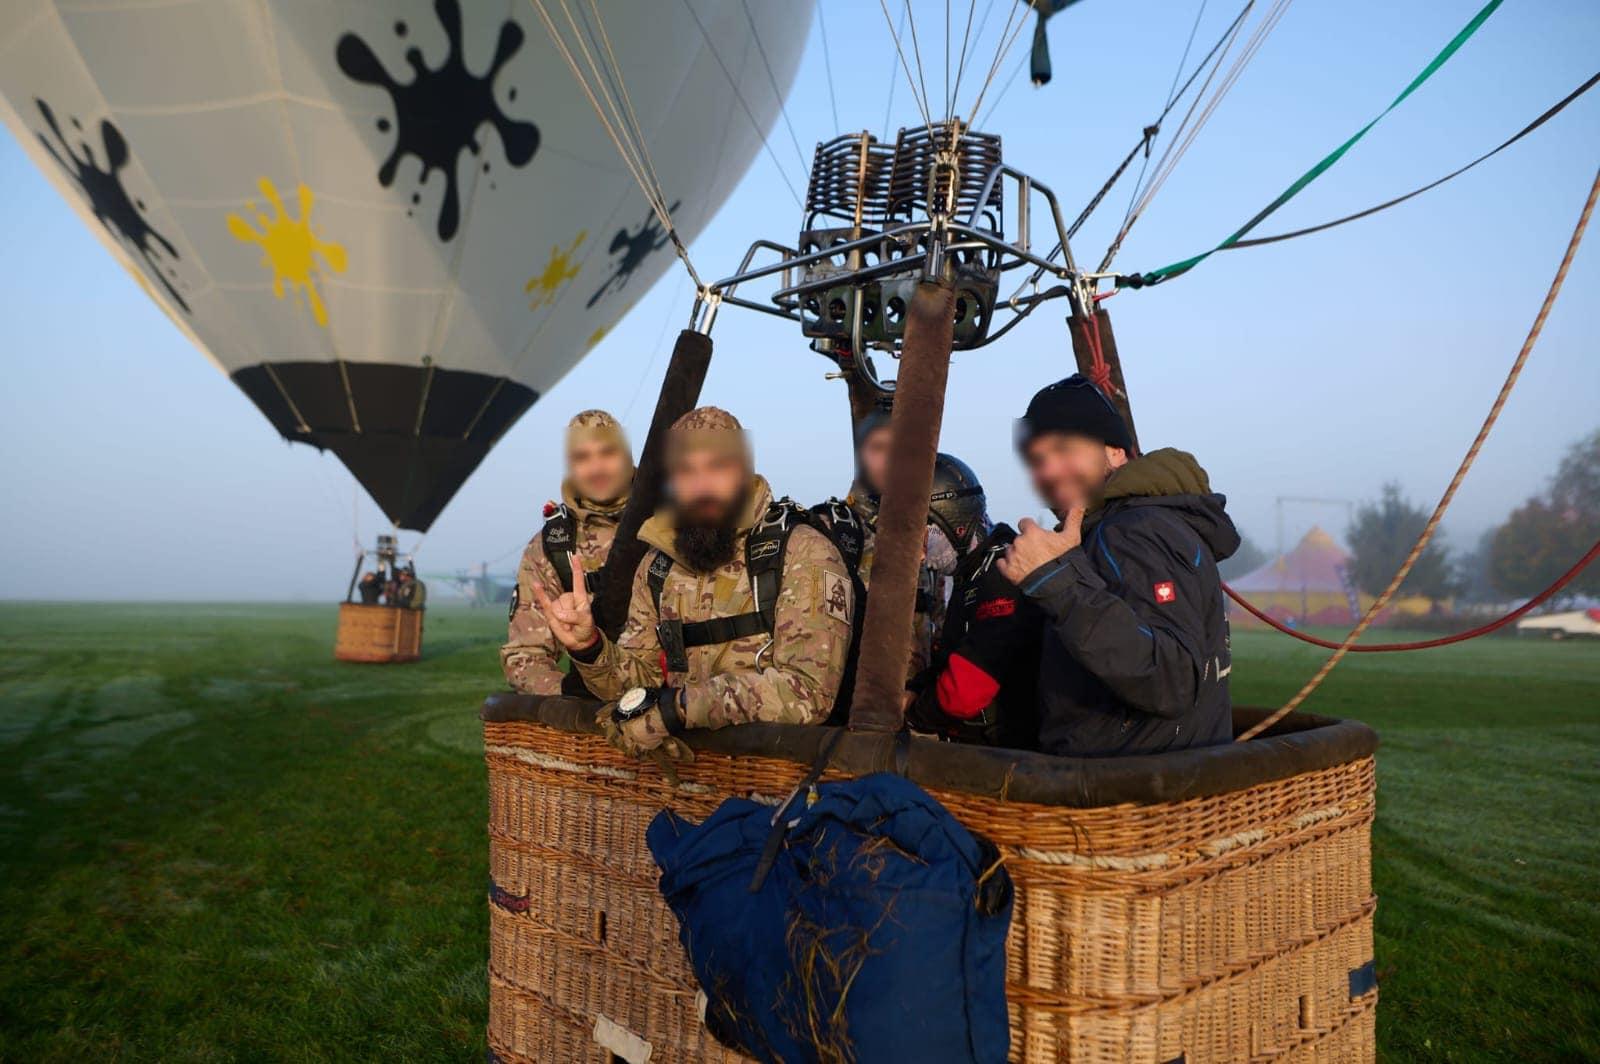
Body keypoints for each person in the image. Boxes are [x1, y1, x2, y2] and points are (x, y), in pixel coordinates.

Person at [533, 407, 854, 758]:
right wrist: (589, 646)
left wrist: (681, 708)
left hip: (778, 780)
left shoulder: (802, 552)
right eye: (686, 471)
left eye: (717, 467)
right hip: (686, 780)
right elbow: (638, 686)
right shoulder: (657, 567)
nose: (701, 485)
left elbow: (809, 693)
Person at [997, 374, 1240, 757]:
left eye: (1064, 449)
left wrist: (1054, 579)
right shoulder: (1125, 528)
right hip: (1143, 776)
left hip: (1134, 792)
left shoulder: (1133, 531)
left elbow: (1171, 678)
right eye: (1038, 460)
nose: (1047, 472)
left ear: (1115, 451)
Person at [905, 455, 1042, 749]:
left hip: (1012, 758)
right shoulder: (971, 574)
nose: (918, 555)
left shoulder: (1004, 573)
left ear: (955, 522)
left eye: (921, 537)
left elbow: (966, 692)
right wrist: (915, 689)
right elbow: (953, 657)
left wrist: (913, 713)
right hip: (981, 748)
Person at [502, 409, 635, 695]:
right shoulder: (552, 546)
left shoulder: (676, 524)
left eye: (607, 453)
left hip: (679, 704)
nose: (596, 468)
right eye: (582, 458)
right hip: (596, 705)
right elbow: (525, 655)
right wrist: (570, 696)